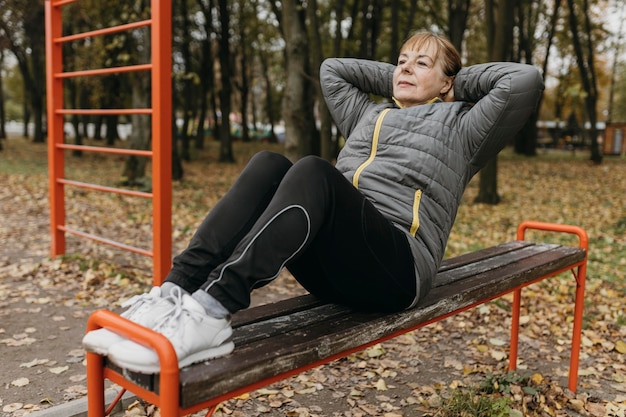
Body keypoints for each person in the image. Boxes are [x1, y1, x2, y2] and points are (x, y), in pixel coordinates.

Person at [83, 31, 544, 374]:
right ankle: (175, 292)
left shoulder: (463, 127)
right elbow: (332, 69)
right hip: (334, 267)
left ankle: (213, 311)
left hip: (396, 271)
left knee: (313, 170)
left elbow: (523, 80)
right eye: (400, 61)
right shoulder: (370, 114)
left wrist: (451, 85)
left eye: (421, 63)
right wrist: (408, 77)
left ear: (449, 81)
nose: (404, 68)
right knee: (268, 162)